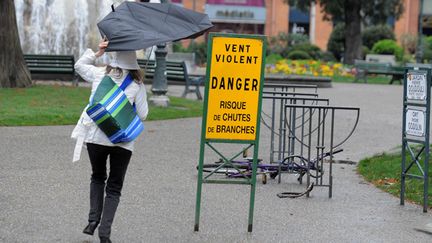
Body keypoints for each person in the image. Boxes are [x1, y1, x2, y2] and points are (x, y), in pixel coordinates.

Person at [71, 40, 148, 243]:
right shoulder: (137, 85)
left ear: (114, 58)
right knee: (114, 187)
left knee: (97, 177)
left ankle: (92, 221)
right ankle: (105, 233)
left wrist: (98, 52)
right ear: (134, 62)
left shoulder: (99, 75)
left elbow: (78, 65)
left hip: (96, 136)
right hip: (122, 142)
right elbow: (143, 114)